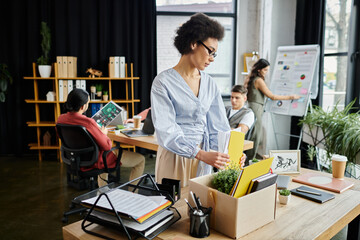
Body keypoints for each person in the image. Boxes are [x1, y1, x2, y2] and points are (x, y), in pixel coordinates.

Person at [151, 13, 245, 187]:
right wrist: (200, 153)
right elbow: (166, 131)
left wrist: (231, 152)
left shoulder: (209, 83)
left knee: (200, 208)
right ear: (193, 43)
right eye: (210, 51)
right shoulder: (163, 82)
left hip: (204, 158)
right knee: (173, 209)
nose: (211, 58)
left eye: (214, 54)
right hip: (175, 158)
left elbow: (219, 127)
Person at [57, 88, 145, 187]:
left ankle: (103, 192)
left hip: (75, 159)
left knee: (101, 152)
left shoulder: (60, 119)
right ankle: (133, 194)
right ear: (83, 107)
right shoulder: (88, 122)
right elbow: (107, 146)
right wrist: (103, 133)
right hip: (96, 161)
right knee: (140, 160)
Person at [244, 59, 300, 160]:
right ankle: (249, 160)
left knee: (253, 134)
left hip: (253, 107)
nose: (266, 72)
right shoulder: (258, 80)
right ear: (259, 70)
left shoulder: (251, 78)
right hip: (256, 108)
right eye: (265, 70)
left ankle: (248, 159)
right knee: (255, 135)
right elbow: (272, 96)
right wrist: (290, 97)